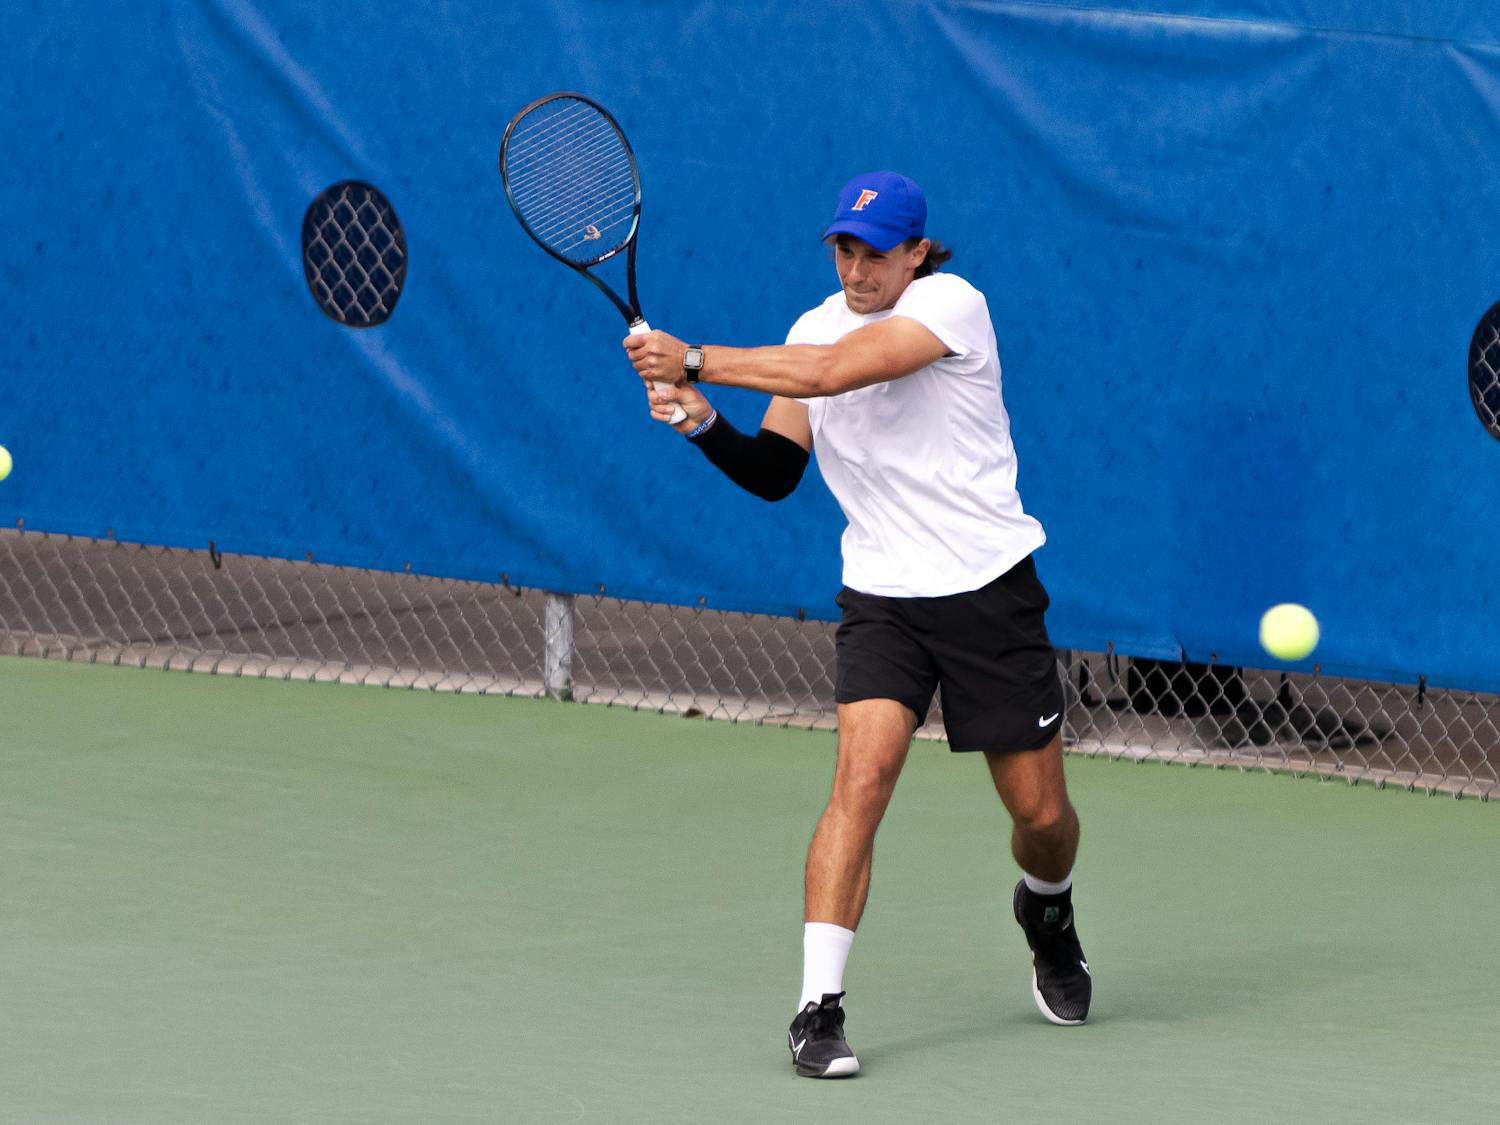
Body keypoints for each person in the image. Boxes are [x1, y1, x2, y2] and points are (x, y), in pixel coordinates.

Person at [623, 172, 1090, 1079]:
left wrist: (694, 360)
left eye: (875, 252)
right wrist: (701, 421)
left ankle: (1049, 907)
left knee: (1041, 813)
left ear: (918, 252)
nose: (856, 268)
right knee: (860, 782)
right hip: (881, 599)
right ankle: (817, 1007)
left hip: (987, 590)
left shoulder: (954, 306)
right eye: (843, 248)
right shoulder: (809, 327)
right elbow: (774, 471)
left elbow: (836, 373)